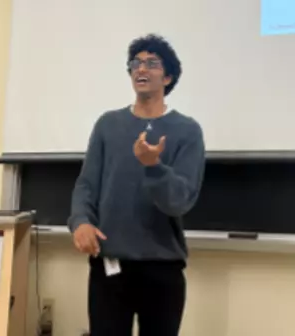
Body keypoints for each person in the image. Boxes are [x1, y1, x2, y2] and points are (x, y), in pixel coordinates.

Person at [68, 34, 206, 336]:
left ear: (168, 76)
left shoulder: (187, 131)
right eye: (136, 63)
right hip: (110, 265)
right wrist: (80, 222)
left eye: (152, 63)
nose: (141, 69)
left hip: (162, 268)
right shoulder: (108, 124)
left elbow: (181, 200)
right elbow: (86, 185)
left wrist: (153, 167)